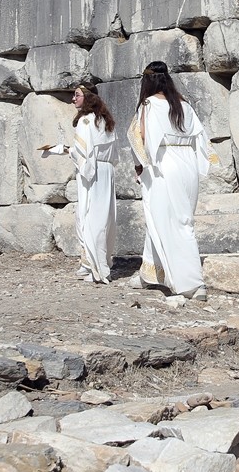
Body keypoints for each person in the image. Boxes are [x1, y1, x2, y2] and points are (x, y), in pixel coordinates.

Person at [127, 62, 216, 300]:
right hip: (188, 166)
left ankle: (192, 284)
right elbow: (201, 138)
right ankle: (150, 274)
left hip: (164, 165)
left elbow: (140, 135)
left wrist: (139, 164)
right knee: (161, 218)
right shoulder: (184, 105)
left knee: (176, 224)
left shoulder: (148, 104)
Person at [48, 85, 117, 284]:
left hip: (92, 173)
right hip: (106, 171)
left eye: (76, 95)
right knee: (104, 217)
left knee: (89, 216)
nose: (73, 99)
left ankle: (97, 268)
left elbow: (82, 153)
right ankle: (93, 262)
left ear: (87, 97)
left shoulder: (86, 121)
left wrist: (61, 149)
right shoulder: (105, 120)